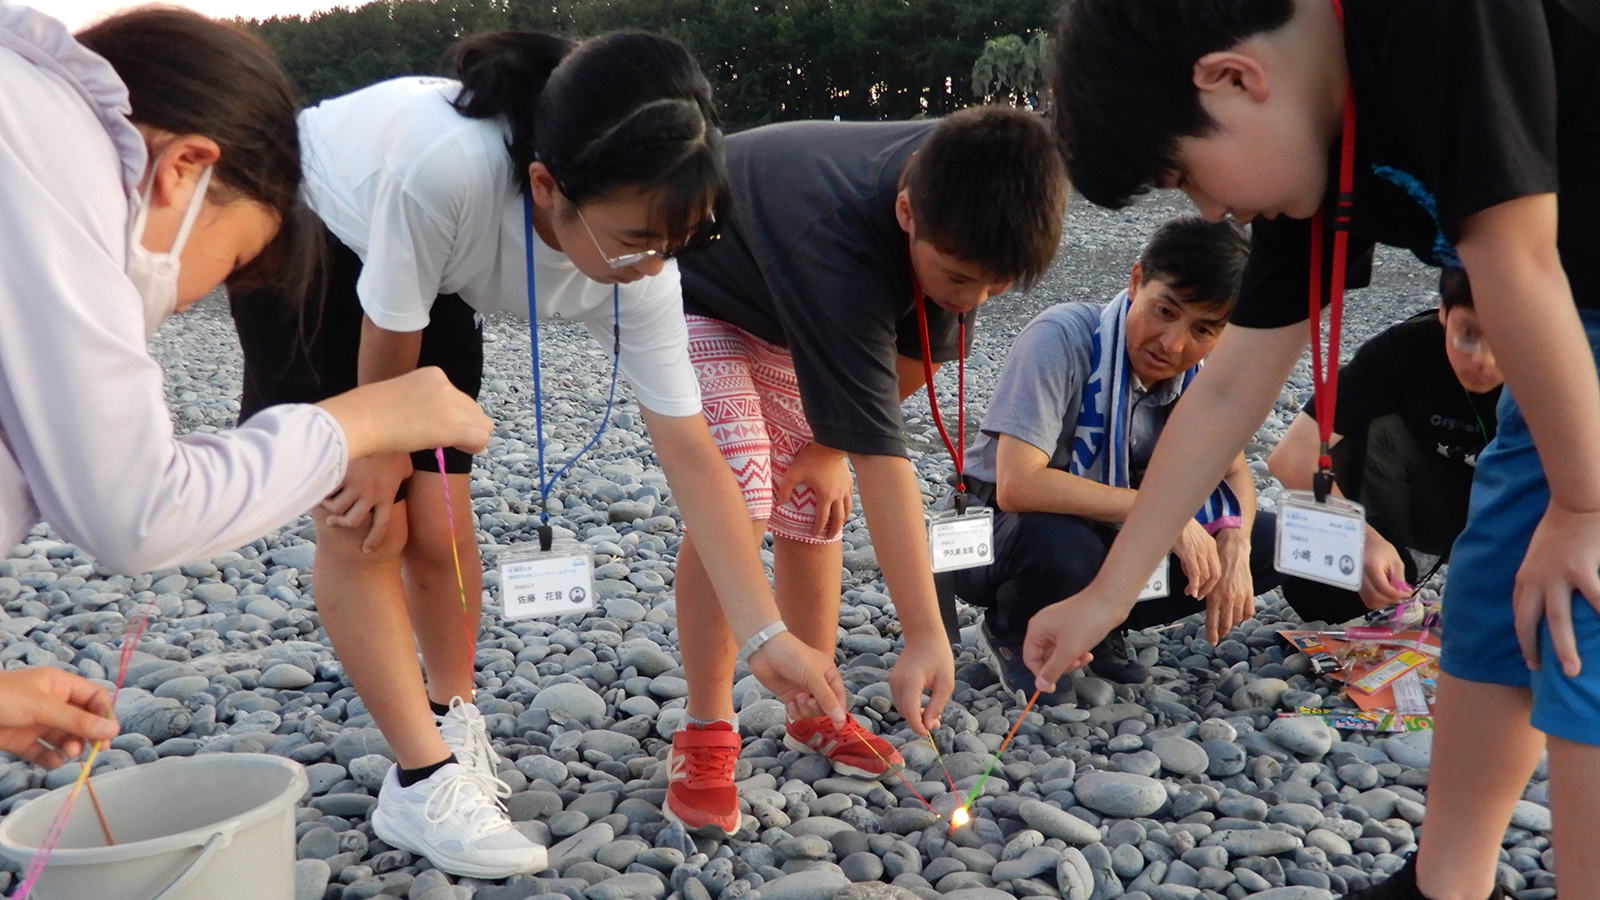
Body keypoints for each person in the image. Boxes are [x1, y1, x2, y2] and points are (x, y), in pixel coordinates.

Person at [229, 30, 846, 874]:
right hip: (316, 228)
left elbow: (691, 452)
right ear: (547, 188)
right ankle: (419, 780)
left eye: (680, 242)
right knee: (368, 518)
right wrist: (373, 446)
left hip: (430, 270)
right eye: (637, 238)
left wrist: (766, 631)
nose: (654, 264)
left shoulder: (643, 267)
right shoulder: (444, 171)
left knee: (441, 513)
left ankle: (450, 711)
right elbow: (388, 331)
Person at [1035, 2, 1600, 899]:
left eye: (1189, 175)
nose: (1211, 208)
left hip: (1564, 303)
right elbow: (1230, 388)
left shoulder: (1435, 26)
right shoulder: (1310, 133)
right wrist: (1107, 594)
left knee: (1579, 605)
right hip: (1563, 317)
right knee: (1496, 587)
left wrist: (1582, 508)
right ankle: (1446, 883)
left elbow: (1518, 262)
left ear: (1232, 78)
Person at [667, 107, 1067, 834]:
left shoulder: (969, 203)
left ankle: (813, 708)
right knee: (745, 491)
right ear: (907, 214)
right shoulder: (840, 237)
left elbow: (906, 364)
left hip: (793, 307)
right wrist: (925, 635)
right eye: (961, 279)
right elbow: (885, 459)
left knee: (813, 499)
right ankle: (704, 727)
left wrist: (826, 448)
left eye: (996, 288)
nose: (973, 299)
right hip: (699, 286)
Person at [0, 4, 487, 574]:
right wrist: (366, 422)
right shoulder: (62, 182)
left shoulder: (28, 112)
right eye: (232, 262)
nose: (184, 304)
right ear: (184, 167)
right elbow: (139, 517)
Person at [942, 216, 1298, 695]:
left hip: (1104, 529)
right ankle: (1012, 628)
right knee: (1064, 544)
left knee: (1268, 538)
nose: (1172, 343)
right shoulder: (1063, 337)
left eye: (1202, 329)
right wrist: (1165, 517)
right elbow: (1018, 484)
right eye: (1165, 311)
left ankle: (1105, 625)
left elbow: (1234, 473)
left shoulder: (1201, 377)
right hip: (988, 531)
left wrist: (1235, 539)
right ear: (1136, 282)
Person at [1270, 269, 1503, 617]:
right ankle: (1398, 578)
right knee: (1319, 597)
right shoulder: (1406, 348)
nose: (1482, 360)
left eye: (1505, 338)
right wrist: (1361, 539)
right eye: (1467, 334)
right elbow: (1291, 457)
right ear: (1443, 311)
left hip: (1516, 511)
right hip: (1427, 500)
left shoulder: (1564, 364)